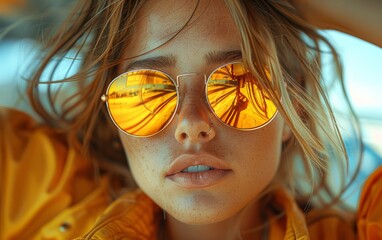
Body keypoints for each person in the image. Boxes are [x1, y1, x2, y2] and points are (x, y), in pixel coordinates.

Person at [1, 0, 381, 239]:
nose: (191, 123)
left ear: (292, 110)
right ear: (112, 118)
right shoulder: (39, 196)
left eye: (238, 85)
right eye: (145, 92)